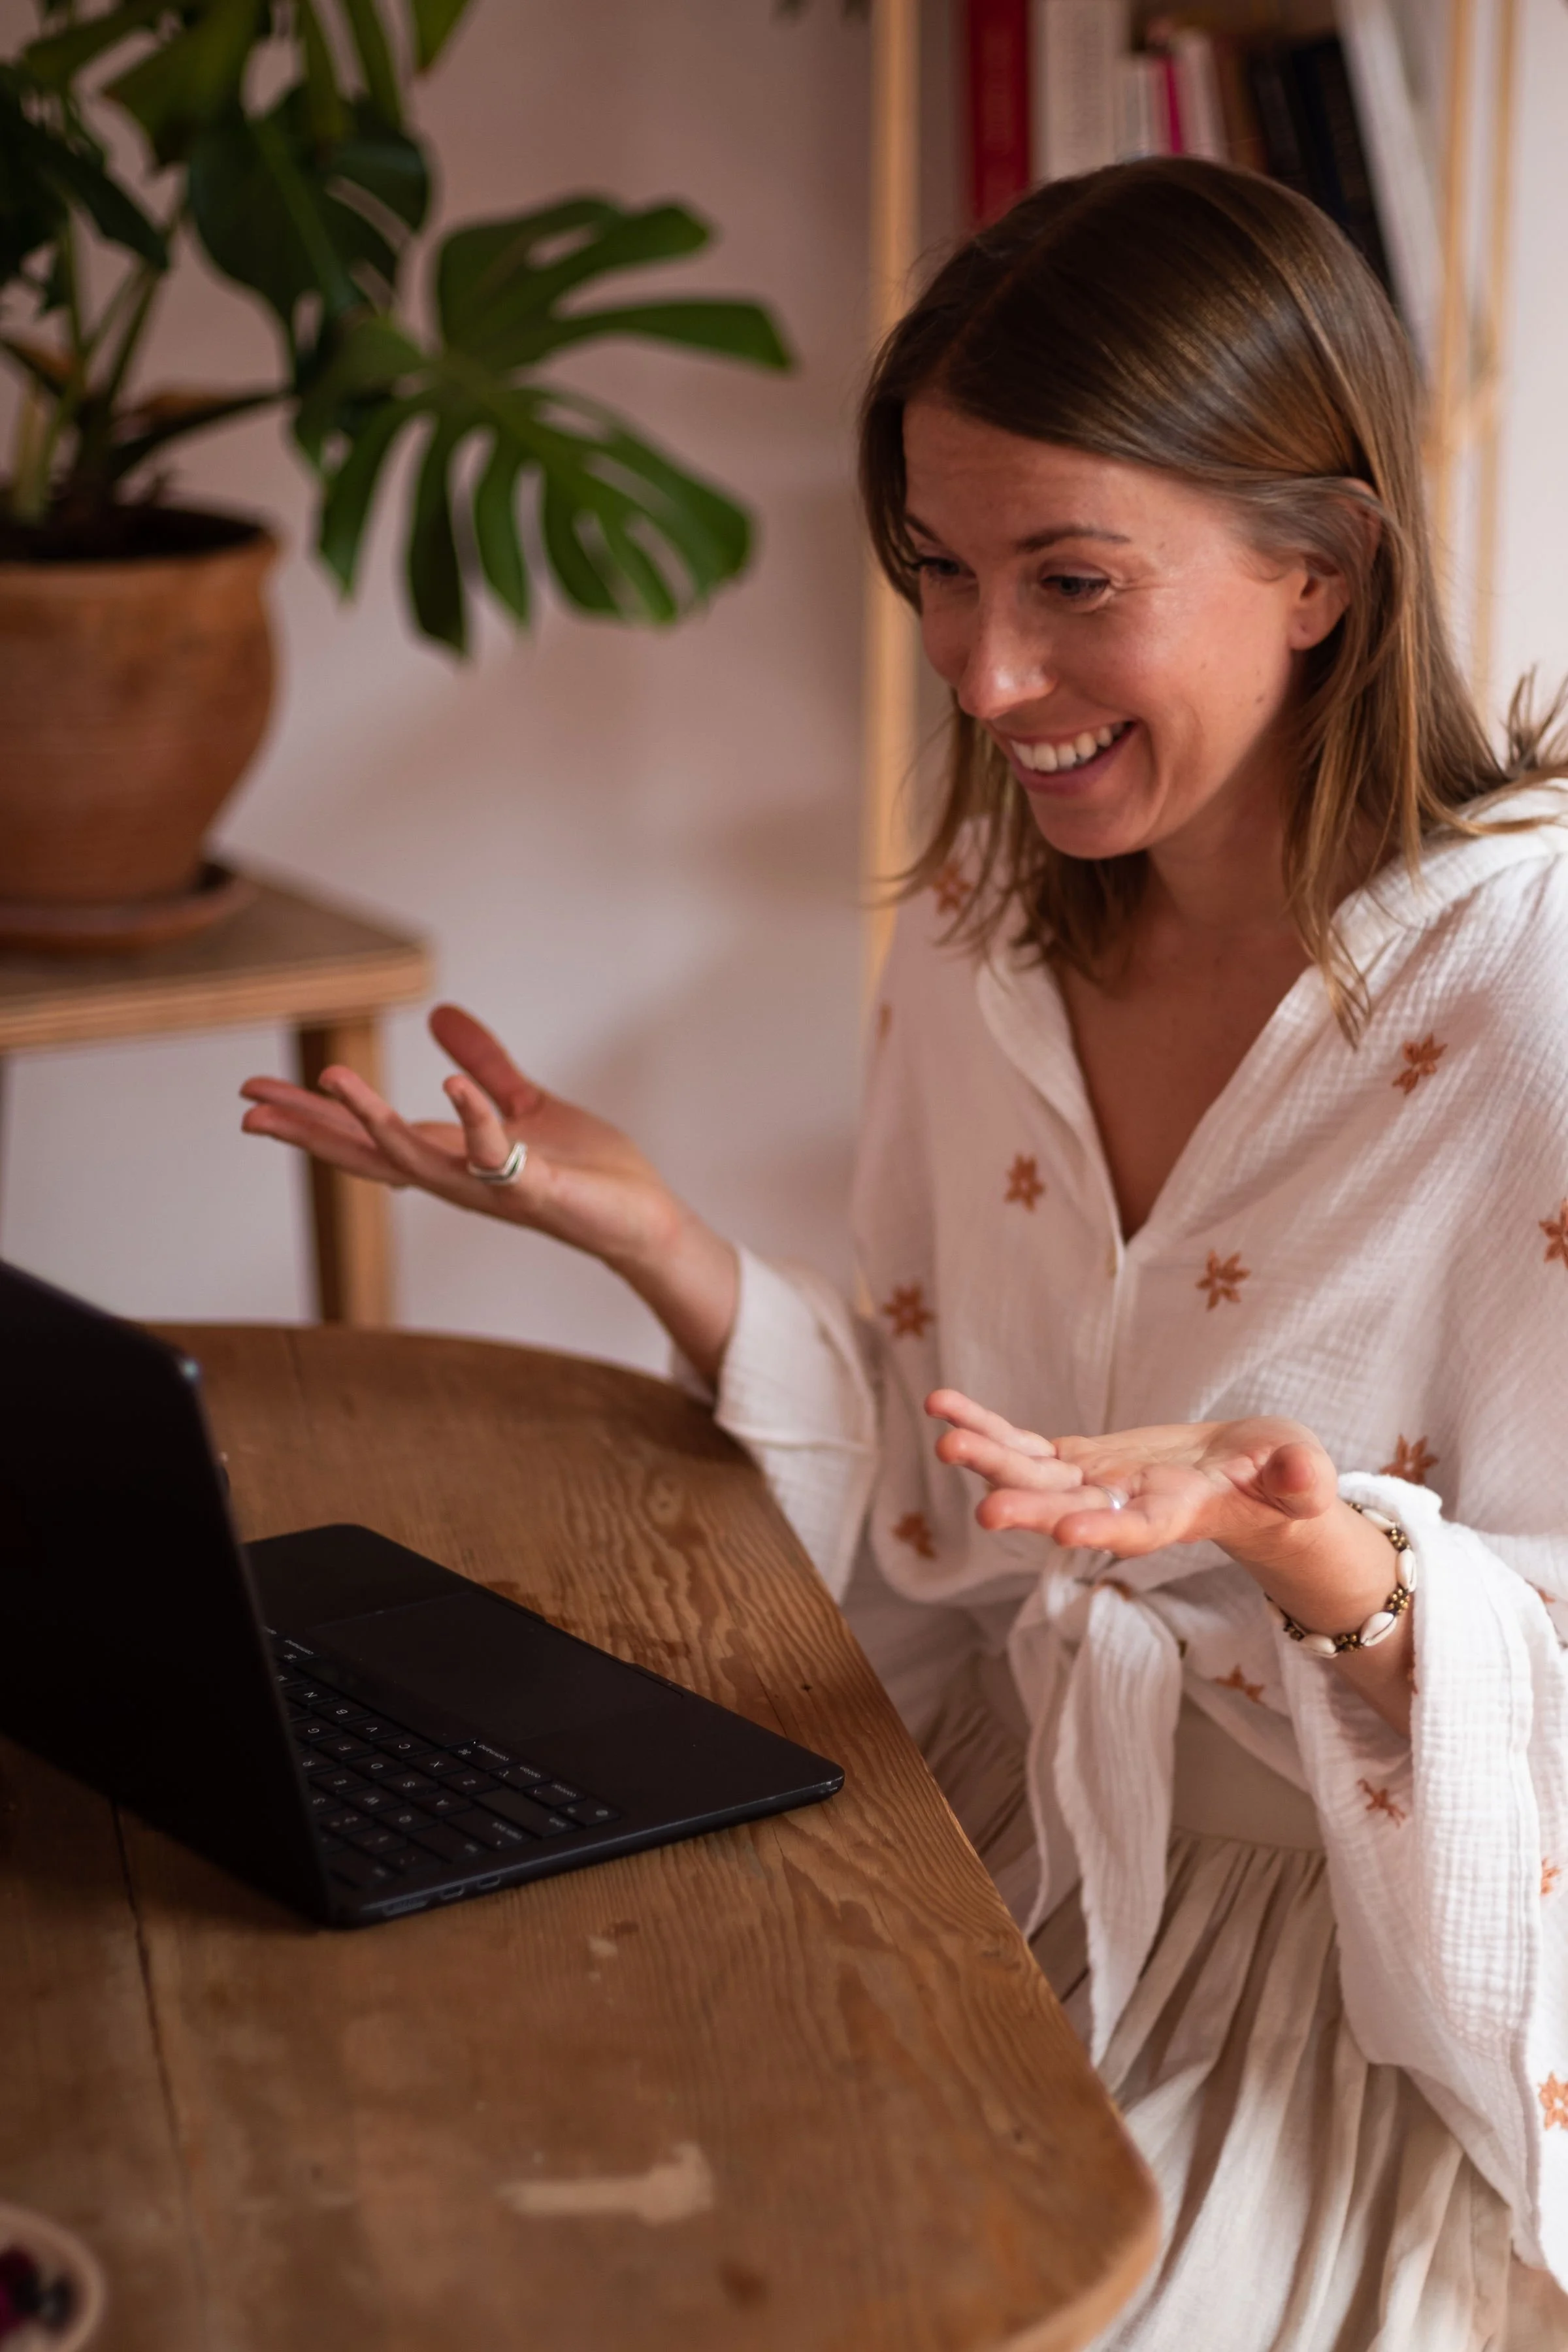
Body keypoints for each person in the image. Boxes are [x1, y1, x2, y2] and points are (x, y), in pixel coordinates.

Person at [242, 159, 1568, 2348]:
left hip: (1346, 1974)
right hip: (996, 1849)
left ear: (1322, 571)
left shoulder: (1527, 1008)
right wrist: (657, 1244)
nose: (984, 670)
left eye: (1070, 580)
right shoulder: (983, 948)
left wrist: (1335, 1567)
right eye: (939, 574)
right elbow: (955, 1501)